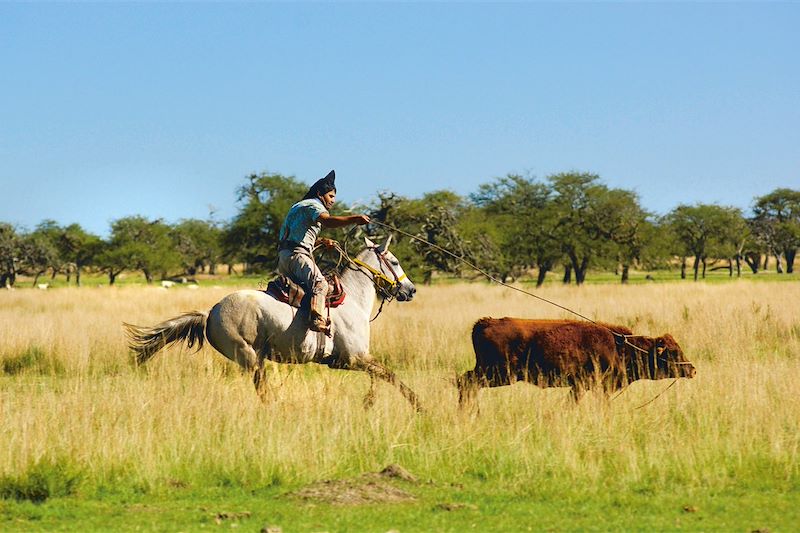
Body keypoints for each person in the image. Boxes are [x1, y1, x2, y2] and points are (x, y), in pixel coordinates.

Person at [277, 170, 370, 332]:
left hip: (284, 257)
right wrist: (354, 219)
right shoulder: (313, 205)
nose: (333, 201)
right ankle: (317, 320)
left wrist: (321, 241)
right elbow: (327, 221)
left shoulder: (298, 206)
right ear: (320, 193)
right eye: (331, 196)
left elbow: (295, 236)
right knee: (320, 284)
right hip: (298, 256)